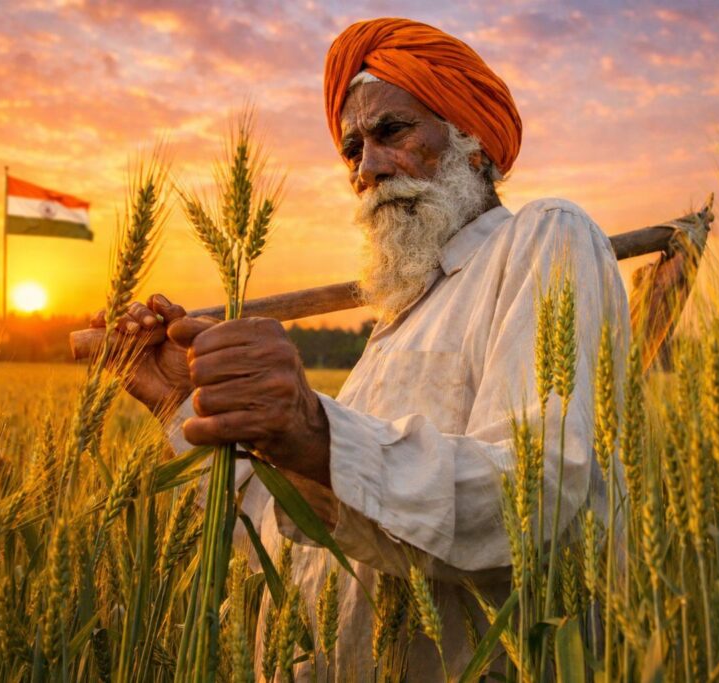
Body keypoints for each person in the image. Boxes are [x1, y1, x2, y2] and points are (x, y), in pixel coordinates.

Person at [91, 17, 629, 681]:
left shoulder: (545, 238)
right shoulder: (394, 325)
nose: (366, 166)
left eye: (392, 132)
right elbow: (297, 541)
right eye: (351, 149)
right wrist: (182, 404)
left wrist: (314, 430)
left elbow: (535, 497)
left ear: (475, 143)